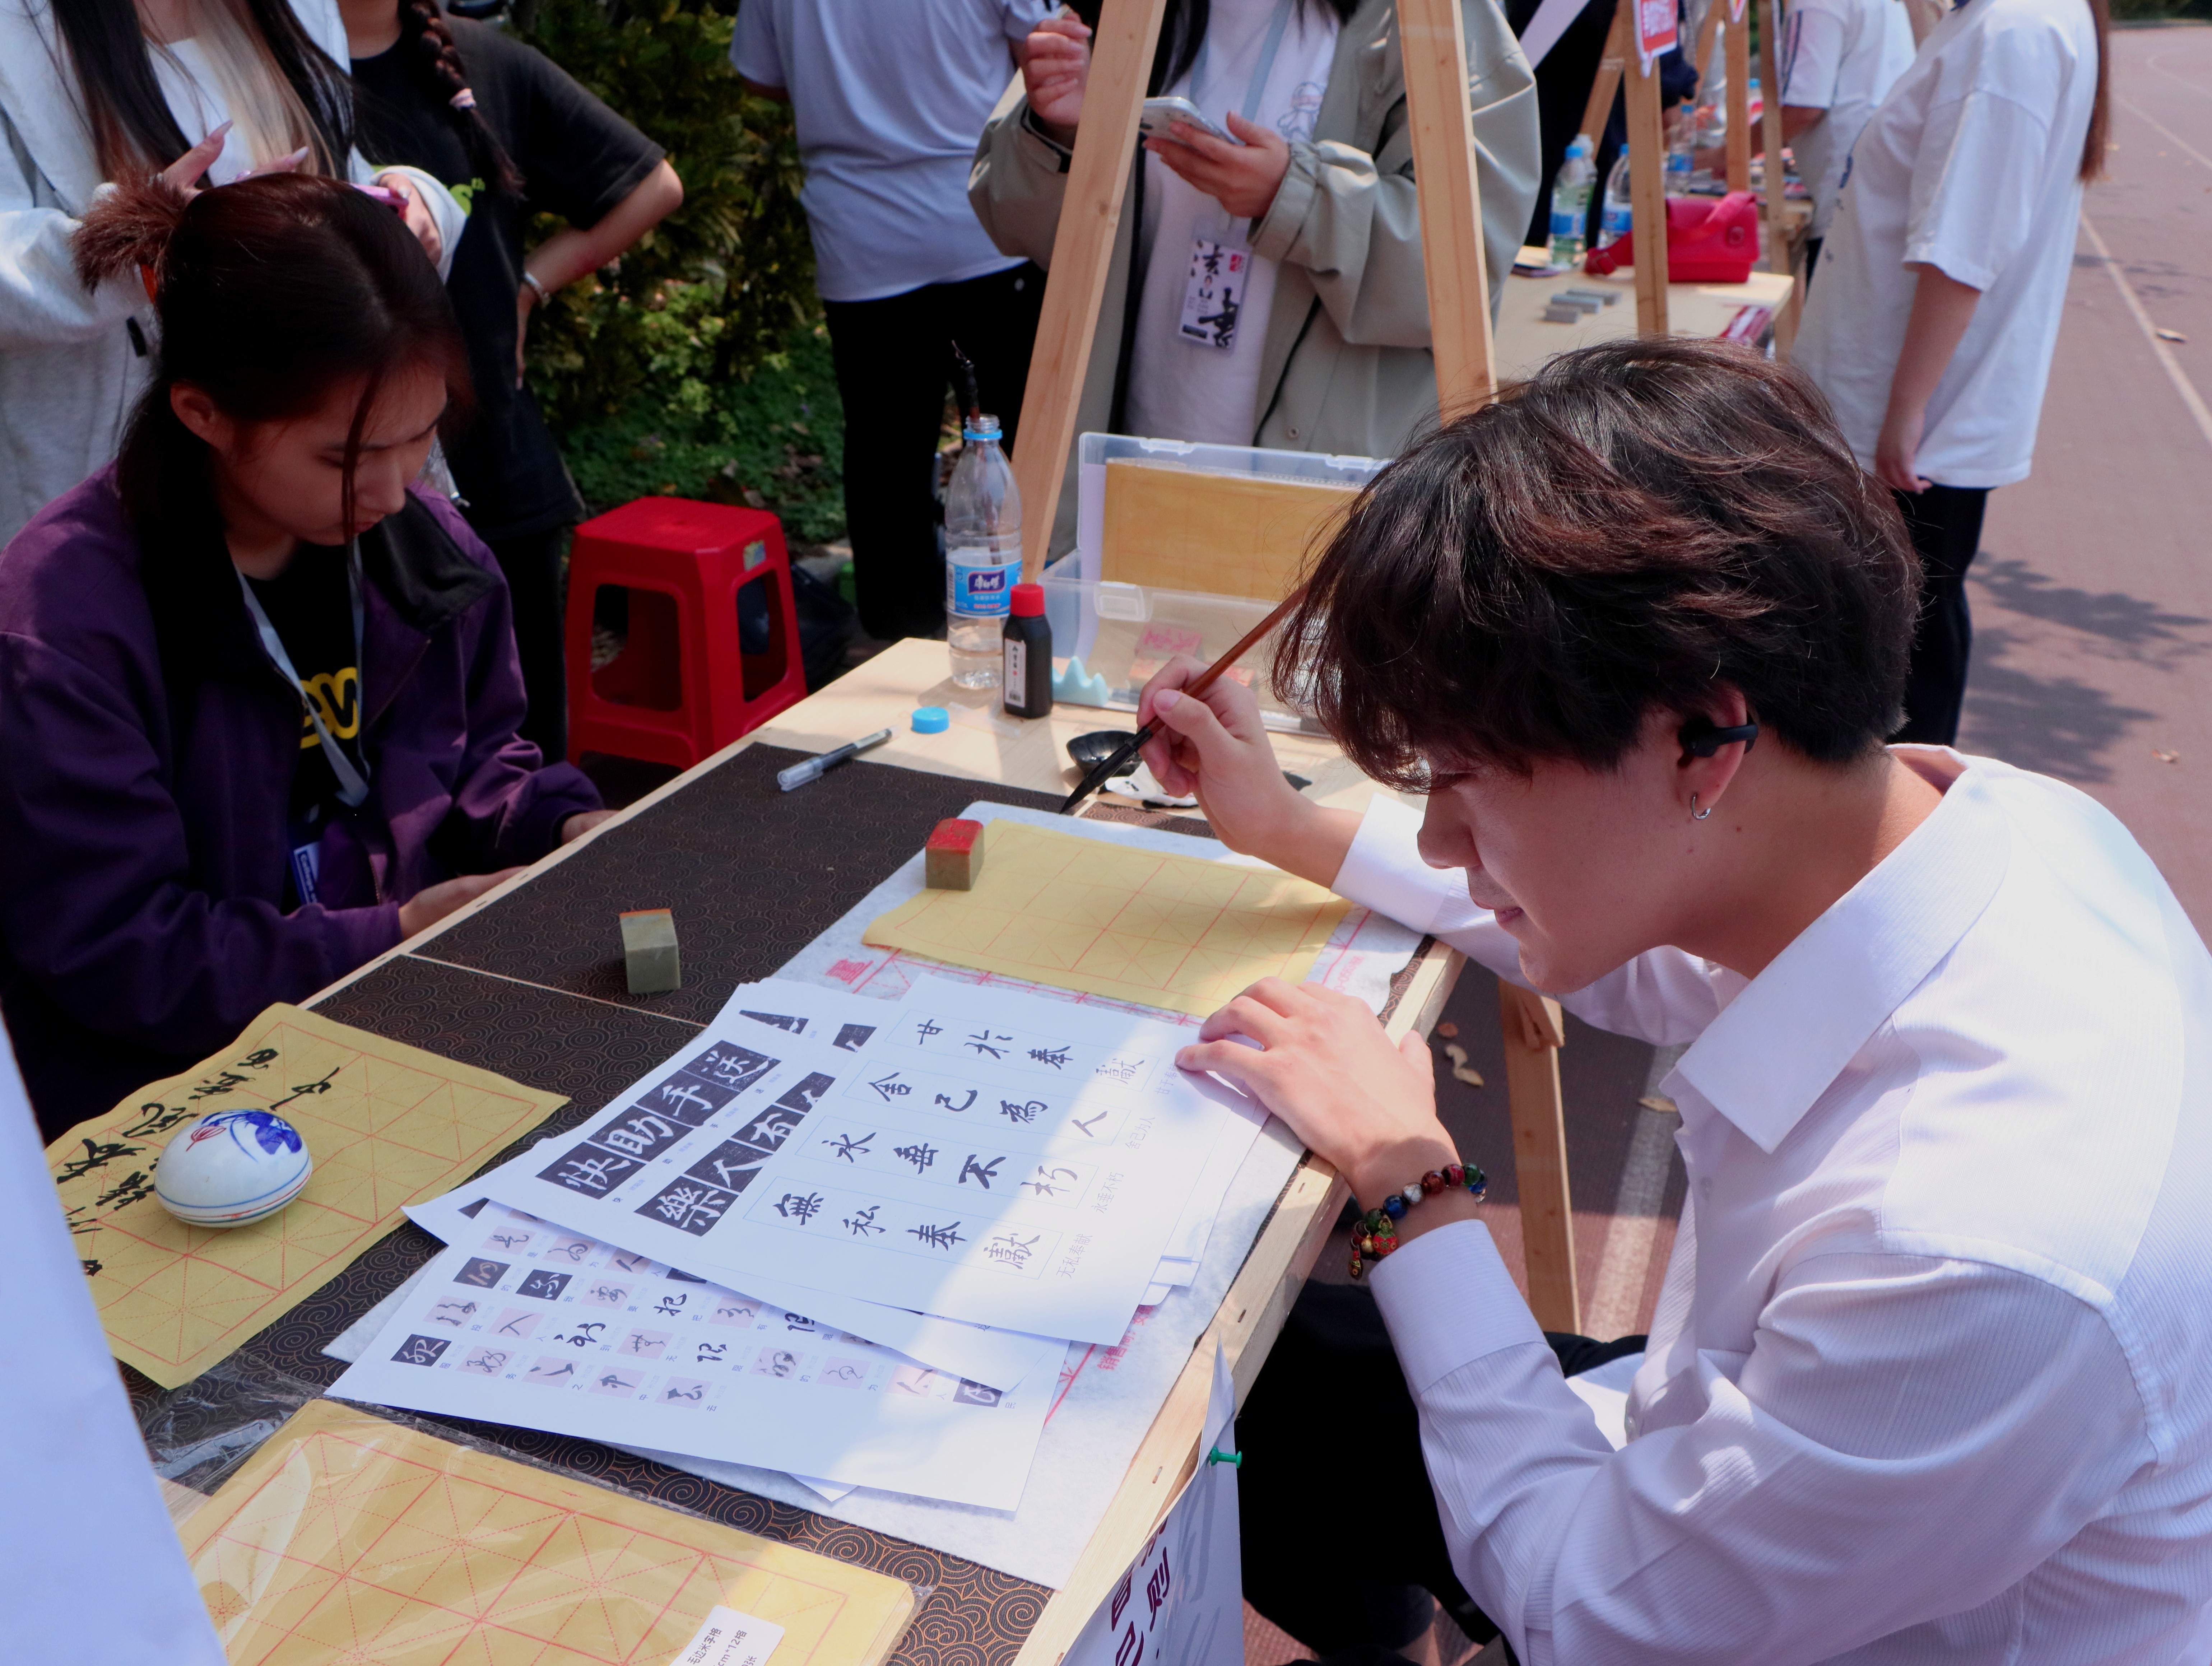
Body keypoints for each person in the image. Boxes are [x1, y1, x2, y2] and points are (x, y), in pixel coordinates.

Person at [1133, 339, 2212, 1660]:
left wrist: (1413, 1188)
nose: (1437, 842)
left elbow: (1583, 1610)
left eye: (1463, 779)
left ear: (1705, 735)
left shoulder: (1970, 1250)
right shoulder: (1988, 830)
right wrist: (1290, 826)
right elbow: (1676, 943)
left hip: (1699, 1601)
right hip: (1729, 1445)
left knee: (1252, 1385)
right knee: (1272, 1364)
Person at [0, 173, 609, 1140]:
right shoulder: (64, 620)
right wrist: (393, 934)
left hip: (404, 1027)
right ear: (204, 413)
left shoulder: (430, 550)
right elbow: (120, 949)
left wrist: (565, 826)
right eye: (346, 458)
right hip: (176, 1107)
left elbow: (485, 765)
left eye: (419, 438)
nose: (393, 490)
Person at [971, 0, 1538, 557]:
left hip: (1323, 510)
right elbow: (1012, 221)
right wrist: (1058, 131)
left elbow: (1466, 263)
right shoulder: (1125, 12)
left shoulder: (1432, 20)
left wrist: (1296, 199)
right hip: (1129, 476)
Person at [340, 0, 683, 762]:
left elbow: (653, 185)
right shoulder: (269, 74)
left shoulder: (479, 60)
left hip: (498, 470)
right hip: (347, 498)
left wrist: (528, 286)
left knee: (525, 757)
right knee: (392, 766)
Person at [0, 0, 465, 546]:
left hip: (323, 485)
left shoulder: (299, 9)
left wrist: (404, 203)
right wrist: (145, 237)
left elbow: (335, 167)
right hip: (111, 498)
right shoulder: (17, 32)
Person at [1792, 0, 2108, 744]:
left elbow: (1961, 247)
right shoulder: (2005, 22)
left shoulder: (2013, 31)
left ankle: (1905, 796)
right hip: (1910, 398)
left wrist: (1906, 410)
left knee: (1899, 638)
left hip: (1914, 408)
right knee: (1901, 625)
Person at [730, 0, 1053, 644]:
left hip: (861, 239)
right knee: (1026, 444)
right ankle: (1037, 619)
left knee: (886, 456)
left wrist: (848, 86)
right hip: (986, 223)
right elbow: (1046, 61)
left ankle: (896, 642)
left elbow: (759, 76)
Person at [1752, 0, 1916, 282]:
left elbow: (1804, 108)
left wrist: (1728, 154)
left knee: (1839, 305)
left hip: (1850, 197)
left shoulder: (1815, 4)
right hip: (1882, 187)